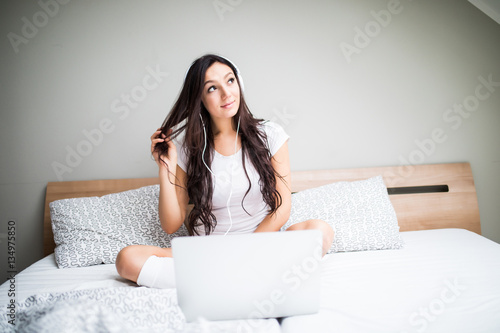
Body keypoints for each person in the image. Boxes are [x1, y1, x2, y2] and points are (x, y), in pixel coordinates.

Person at [115, 54, 334, 288]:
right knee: (126, 259)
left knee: (320, 231)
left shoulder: (271, 134)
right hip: (208, 254)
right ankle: (243, 279)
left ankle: (220, 280)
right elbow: (170, 225)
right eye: (212, 88)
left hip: (261, 246)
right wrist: (165, 168)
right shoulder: (185, 149)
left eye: (230, 81)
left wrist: (246, 249)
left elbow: (282, 208)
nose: (226, 93)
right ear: (199, 98)